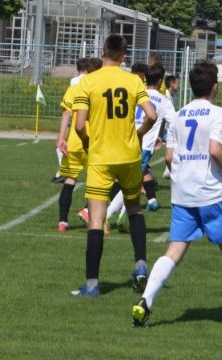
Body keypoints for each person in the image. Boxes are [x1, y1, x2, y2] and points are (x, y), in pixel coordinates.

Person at [131, 60, 222, 328]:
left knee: (173, 251)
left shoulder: (179, 115)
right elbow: (214, 149)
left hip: (182, 195)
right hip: (212, 193)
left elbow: (169, 157)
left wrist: (183, 176)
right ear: (215, 87)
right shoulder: (218, 113)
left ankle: (146, 301)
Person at [70, 34, 158, 297]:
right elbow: (152, 114)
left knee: (97, 219)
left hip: (101, 157)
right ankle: (140, 264)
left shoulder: (88, 81)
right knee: (134, 210)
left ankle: (92, 284)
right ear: (124, 56)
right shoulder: (133, 80)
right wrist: (139, 133)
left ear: (102, 52)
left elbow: (79, 125)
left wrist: (88, 142)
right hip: (129, 155)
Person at [107, 63, 176, 230]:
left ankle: (123, 218)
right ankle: (105, 215)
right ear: (160, 81)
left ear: (145, 78)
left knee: (132, 183)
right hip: (143, 146)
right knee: (132, 184)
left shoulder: (137, 93)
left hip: (127, 140)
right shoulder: (164, 101)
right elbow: (175, 123)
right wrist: (165, 138)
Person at [54, 57, 102, 231]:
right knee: (97, 182)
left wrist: (61, 138)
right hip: (93, 142)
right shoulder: (101, 90)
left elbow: (66, 114)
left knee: (69, 180)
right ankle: (88, 211)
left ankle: (63, 221)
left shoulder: (75, 88)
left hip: (74, 142)